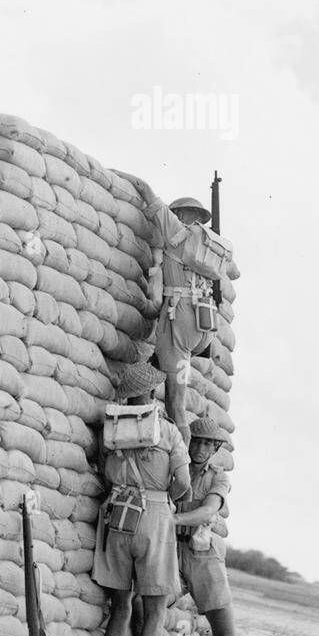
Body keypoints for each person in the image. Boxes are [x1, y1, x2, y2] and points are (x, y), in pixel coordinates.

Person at [92, 360, 190, 636]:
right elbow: (183, 484)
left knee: (120, 606)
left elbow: (103, 471)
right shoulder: (166, 432)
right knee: (156, 609)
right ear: (151, 393)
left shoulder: (111, 427)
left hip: (116, 515)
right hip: (152, 514)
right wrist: (165, 499)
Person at [113, 174, 230, 448]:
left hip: (180, 321)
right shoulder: (207, 249)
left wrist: (118, 174)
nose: (173, 214)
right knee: (164, 375)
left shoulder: (177, 232)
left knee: (177, 405)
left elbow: (144, 188)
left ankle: (181, 457)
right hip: (204, 327)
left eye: (176, 212)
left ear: (181, 214)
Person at [174, 415, 267, 636]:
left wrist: (169, 519)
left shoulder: (219, 477)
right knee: (145, 610)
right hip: (171, 553)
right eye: (195, 441)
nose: (200, 448)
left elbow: (207, 511)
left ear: (215, 449)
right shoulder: (176, 469)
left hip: (203, 555)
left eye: (207, 444)